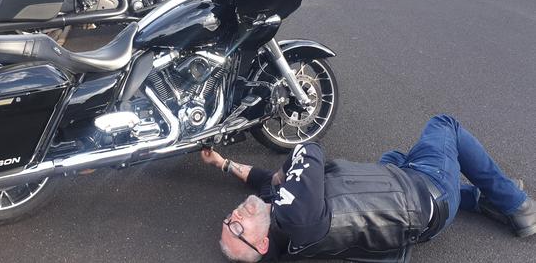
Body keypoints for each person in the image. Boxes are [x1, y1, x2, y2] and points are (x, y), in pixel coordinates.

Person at [201, 115, 536, 262]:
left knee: (393, 156)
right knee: (444, 125)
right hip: (428, 194)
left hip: (403, 195)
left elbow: (259, 181)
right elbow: (310, 149)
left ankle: (480, 200)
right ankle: (516, 205)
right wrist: (283, 173)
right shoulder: (296, 217)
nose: (233, 215)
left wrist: (224, 164)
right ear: (261, 244)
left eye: (227, 220)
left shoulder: (281, 226)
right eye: (236, 227)